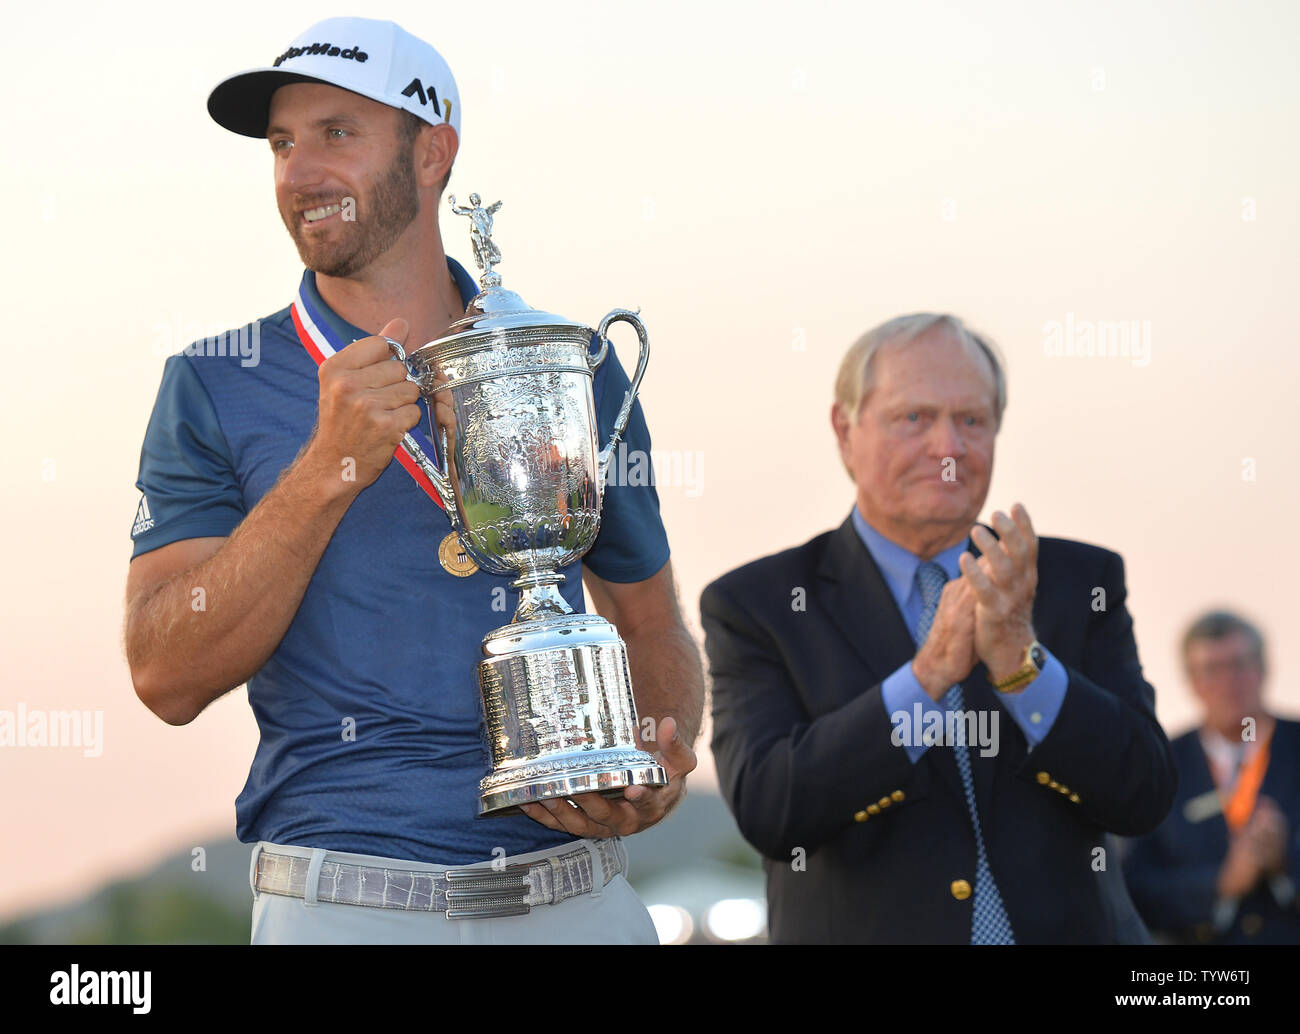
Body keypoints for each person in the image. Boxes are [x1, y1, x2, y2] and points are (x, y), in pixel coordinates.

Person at [124, 17, 703, 945]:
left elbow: (650, 622)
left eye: (337, 134)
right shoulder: (215, 380)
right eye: (281, 144)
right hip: (346, 902)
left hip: (578, 897)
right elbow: (163, 673)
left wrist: (659, 764)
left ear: (433, 152)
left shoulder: (564, 366)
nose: (299, 172)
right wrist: (326, 469)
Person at [699, 312, 1176, 943]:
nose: (948, 448)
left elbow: (1143, 793)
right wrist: (925, 679)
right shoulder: (759, 604)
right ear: (846, 430)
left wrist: (1022, 667)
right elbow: (770, 807)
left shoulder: (1076, 580)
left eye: (971, 420)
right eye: (914, 418)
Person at [1122, 611, 1300, 943]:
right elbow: (1134, 887)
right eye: (1212, 670)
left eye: (1239, 664)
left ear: (1263, 669)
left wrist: (1286, 861)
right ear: (1192, 682)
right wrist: (1220, 882)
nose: (1228, 682)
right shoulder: (1161, 763)